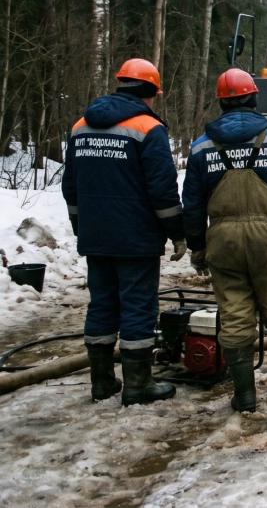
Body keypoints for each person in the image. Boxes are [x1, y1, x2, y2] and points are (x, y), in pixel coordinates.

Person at [182, 68, 267, 412]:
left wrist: (197, 246)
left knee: (234, 315)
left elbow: (193, 204)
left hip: (223, 239)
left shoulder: (201, 147)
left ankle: (244, 396)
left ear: (222, 103)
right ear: (254, 98)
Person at [63, 58, 185, 406]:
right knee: (137, 306)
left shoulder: (80, 127)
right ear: (151, 93)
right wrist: (177, 233)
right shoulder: (148, 129)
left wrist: (79, 225)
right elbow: (162, 191)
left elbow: (70, 187)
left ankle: (101, 382)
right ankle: (137, 384)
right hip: (136, 239)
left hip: (96, 235)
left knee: (101, 304)